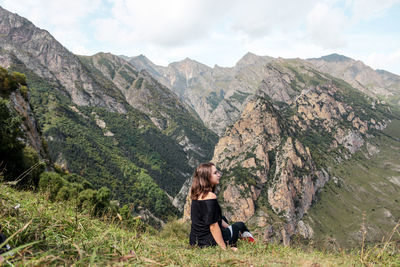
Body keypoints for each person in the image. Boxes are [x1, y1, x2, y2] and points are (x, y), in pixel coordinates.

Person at [189, 162, 255, 251]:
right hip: (209, 243)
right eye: (215, 173)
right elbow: (213, 226)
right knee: (240, 225)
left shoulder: (196, 195)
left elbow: (214, 219)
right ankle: (252, 244)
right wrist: (224, 249)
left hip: (195, 241)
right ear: (206, 177)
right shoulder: (210, 197)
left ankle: (234, 236)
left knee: (223, 218)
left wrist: (228, 227)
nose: (219, 175)